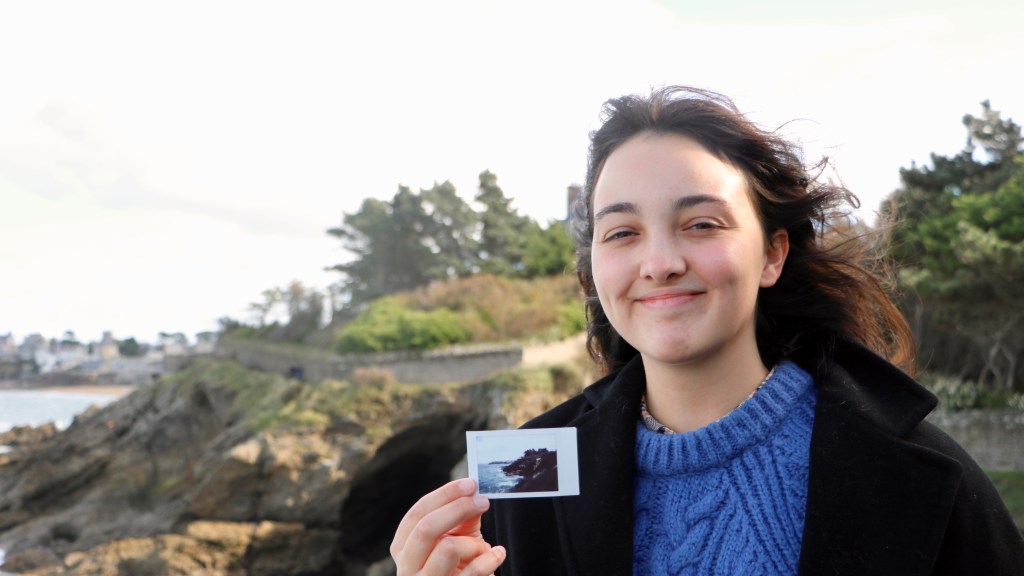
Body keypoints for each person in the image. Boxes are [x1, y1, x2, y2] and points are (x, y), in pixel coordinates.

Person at [390, 87, 1024, 575]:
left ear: (773, 254)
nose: (660, 261)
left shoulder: (920, 472)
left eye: (701, 224)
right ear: (593, 272)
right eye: (622, 232)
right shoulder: (523, 476)